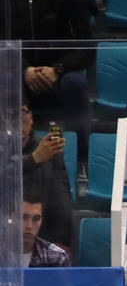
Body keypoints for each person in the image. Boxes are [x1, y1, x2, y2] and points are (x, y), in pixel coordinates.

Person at [2, 0, 94, 153]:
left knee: (75, 83)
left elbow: (87, 47)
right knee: (7, 82)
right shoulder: (3, 2)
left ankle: (83, 155)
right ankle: (16, 157)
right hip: (21, 75)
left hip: (60, 74)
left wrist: (58, 69)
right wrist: (24, 70)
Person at [21, 99, 72, 250]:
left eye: (21, 113)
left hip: (41, 230)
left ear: (30, 118)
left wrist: (62, 241)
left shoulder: (48, 149)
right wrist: (34, 159)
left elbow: (62, 196)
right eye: (8, 115)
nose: (16, 121)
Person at [20, 191, 69, 267]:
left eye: (36, 219)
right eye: (23, 217)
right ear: (10, 218)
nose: (29, 226)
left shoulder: (58, 258)